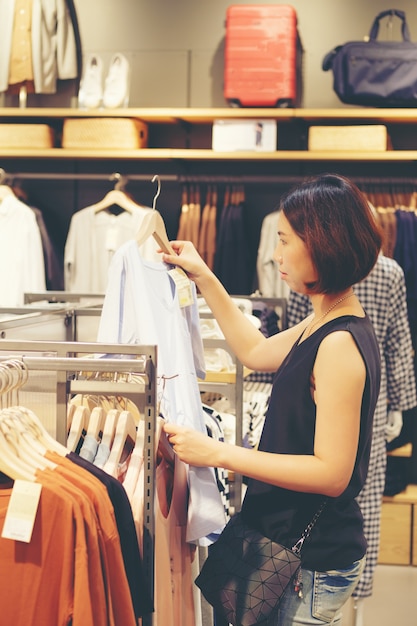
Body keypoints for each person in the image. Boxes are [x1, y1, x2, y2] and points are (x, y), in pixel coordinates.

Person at [162, 173, 383, 625]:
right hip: (288, 546)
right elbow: (256, 351)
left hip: (311, 561)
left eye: (285, 240)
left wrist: (221, 453)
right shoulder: (324, 320)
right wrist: (204, 276)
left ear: (323, 242)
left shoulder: (340, 342)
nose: (276, 254)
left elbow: (332, 473)